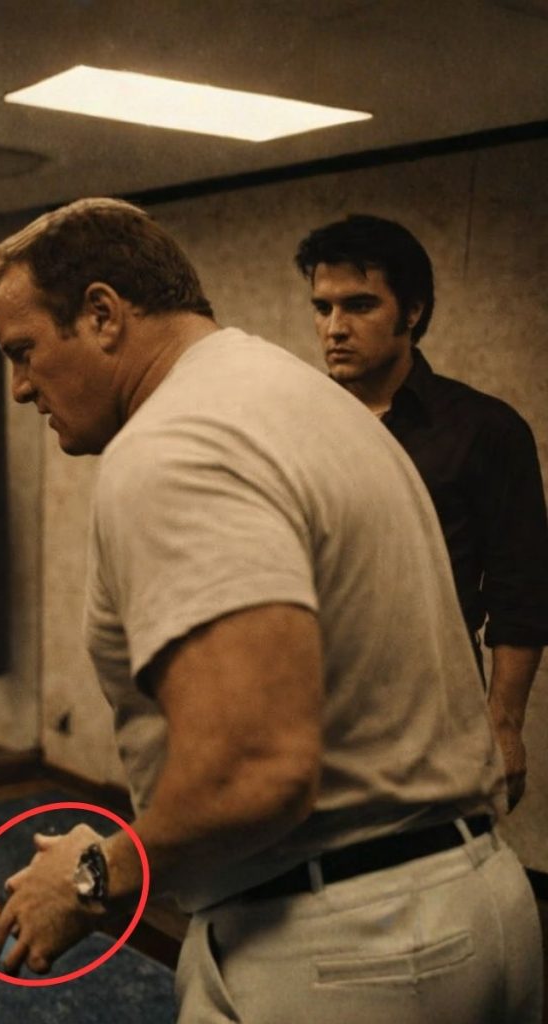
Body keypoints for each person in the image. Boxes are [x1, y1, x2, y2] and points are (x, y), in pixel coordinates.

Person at [0, 198, 542, 1023]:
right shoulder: (309, 400)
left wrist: (91, 876)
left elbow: (254, 772)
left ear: (102, 314)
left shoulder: (174, 445)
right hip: (484, 905)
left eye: (24, 352)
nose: (21, 386)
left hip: (342, 950)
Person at [294, 214, 548, 809]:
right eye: (323, 308)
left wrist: (505, 724)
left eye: (359, 305)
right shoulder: (294, 424)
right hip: (309, 707)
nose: (335, 328)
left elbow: (522, 592)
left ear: (412, 311)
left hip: (435, 711)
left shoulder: (484, 429)